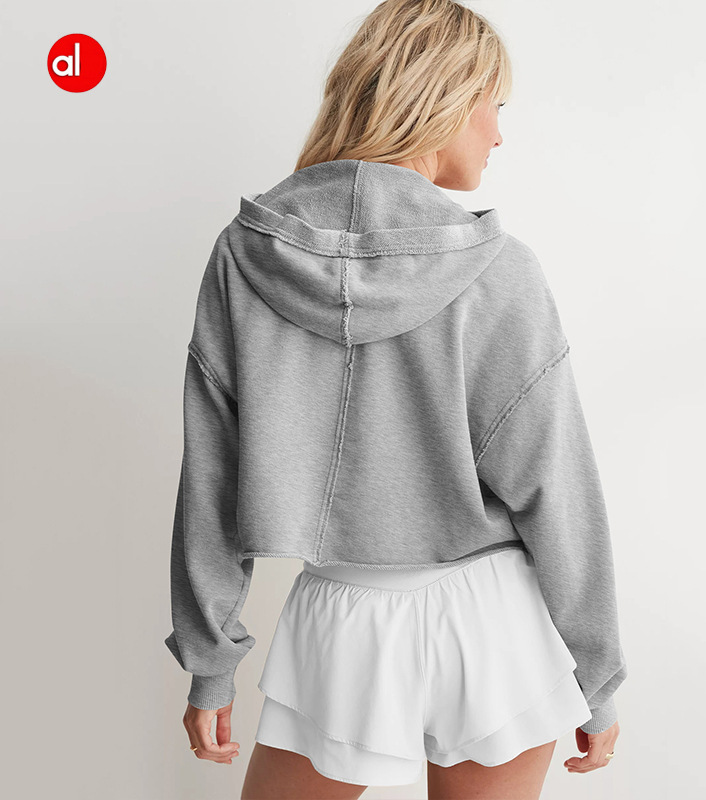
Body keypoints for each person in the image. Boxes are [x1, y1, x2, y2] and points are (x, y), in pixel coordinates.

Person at [163, 1, 629, 798]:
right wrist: (600, 669)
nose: (498, 134)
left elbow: (213, 472)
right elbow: (557, 483)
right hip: (491, 625)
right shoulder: (500, 269)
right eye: (493, 105)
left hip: (339, 615)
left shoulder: (244, 256)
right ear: (442, 99)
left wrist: (210, 661)